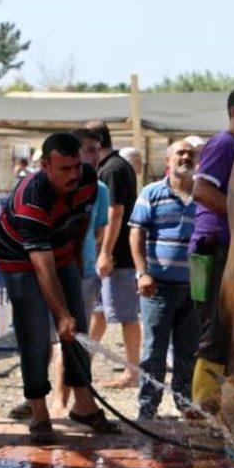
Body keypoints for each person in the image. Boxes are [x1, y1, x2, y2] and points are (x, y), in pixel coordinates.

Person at [0, 133, 119, 443]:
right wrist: (60, 313)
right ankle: (40, 414)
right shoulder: (31, 199)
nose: (74, 175)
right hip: (20, 260)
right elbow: (41, 268)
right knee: (36, 334)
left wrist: (75, 267)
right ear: (45, 165)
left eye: (77, 166)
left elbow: (81, 223)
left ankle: (84, 407)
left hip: (61, 252)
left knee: (76, 330)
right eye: (65, 169)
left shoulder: (87, 180)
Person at [190, 86, 234, 404]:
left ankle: (222, 405)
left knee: (228, 330)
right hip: (213, 248)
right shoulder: (224, 144)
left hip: (229, 249)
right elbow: (201, 190)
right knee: (214, 331)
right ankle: (203, 408)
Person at [129, 140, 200, 420]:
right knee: (153, 352)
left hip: (194, 288)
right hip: (157, 287)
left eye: (191, 154)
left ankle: (185, 404)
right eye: (180, 153)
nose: (186, 157)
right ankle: (148, 408)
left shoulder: (204, 195)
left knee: (189, 352)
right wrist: (142, 272)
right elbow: (136, 233)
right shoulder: (151, 193)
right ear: (167, 160)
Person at [50, 129, 109, 415]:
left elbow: (95, 228)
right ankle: (53, 400)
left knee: (73, 339)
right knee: (48, 339)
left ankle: (77, 402)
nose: (93, 155)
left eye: (96, 149)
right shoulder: (45, 187)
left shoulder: (98, 187)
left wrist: (82, 263)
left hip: (82, 271)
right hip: (47, 270)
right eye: (87, 149)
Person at [86, 121, 140, 388]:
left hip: (117, 257)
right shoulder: (113, 166)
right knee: (98, 312)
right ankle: (83, 364)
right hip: (108, 256)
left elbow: (115, 211)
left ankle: (132, 372)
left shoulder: (113, 169)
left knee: (126, 315)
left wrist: (106, 252)